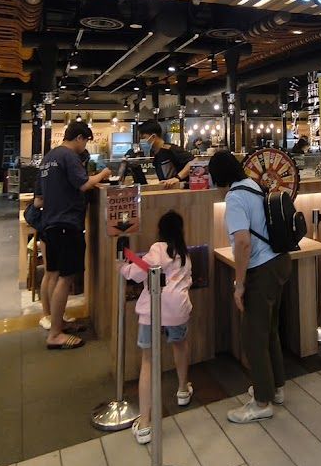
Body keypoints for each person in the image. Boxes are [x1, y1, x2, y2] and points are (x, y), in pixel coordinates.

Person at [208, 150, 291, 423]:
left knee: (253, 337)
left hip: (261, 270)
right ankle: (274, 387)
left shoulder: (234, 197)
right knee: (269, 330)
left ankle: (261, 402)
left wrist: (239, 284)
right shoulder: (254, 185)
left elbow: (243, 242)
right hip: (280, 262)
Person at [120, 210, 194, 444]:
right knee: (180, 347)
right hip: (178, 310)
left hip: (152, 310)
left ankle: (144, 424)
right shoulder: (184, 254)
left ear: (160, 231)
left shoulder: (157, 250)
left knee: (148, 361)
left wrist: (121, 267)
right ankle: (183, 389)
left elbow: (136, 273)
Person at [35, 121, 110, 349]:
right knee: (65, 278)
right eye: (85, 140)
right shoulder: (69, 156)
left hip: (50, 223)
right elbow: (84, 184)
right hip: (67, 223)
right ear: (78, 138)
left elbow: (39, 198)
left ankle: (53, 320)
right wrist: (104, 174)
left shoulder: (49, 157)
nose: (85, 145)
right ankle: (56, 335)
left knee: (53, 274)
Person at [138, 120, 193, 189]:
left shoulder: (170, 149)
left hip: (181, 192)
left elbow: (193, 162)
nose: (141, 141)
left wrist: (177, 178)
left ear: (153, 136)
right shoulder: (156, 154)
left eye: (143, 138)